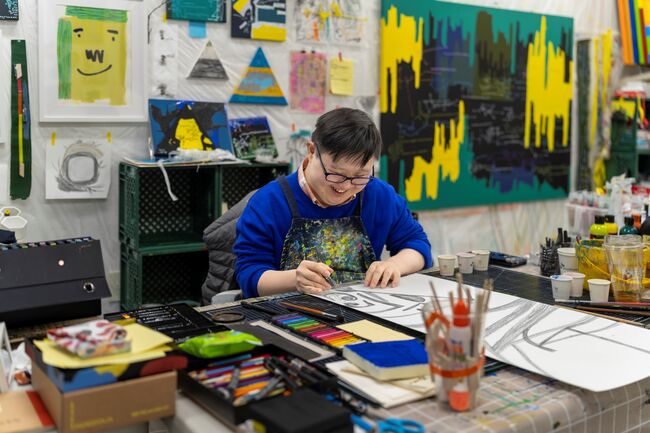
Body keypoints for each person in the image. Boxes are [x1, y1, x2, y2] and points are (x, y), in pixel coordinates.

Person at [233, 108, 432, 298]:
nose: (345, 186)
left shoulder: (379, 195)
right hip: (289, 312)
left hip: (362, 310)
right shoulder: (268, 203)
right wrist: (294, 280)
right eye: (336, 174)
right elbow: (249, 274)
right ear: (312, 151)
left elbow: (417, 245)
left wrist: (394, 265)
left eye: (360, 176)